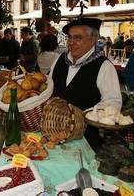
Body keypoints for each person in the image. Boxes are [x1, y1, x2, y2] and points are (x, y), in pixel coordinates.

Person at [50, 18, 122, 150]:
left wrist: (83, 116)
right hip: (54, 133)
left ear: (93, 39)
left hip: (86, 140)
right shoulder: (59, 59)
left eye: (77, 38)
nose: (71, 42)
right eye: (69, 37)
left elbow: (113, 104)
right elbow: (49, 87)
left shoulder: (104, 66)